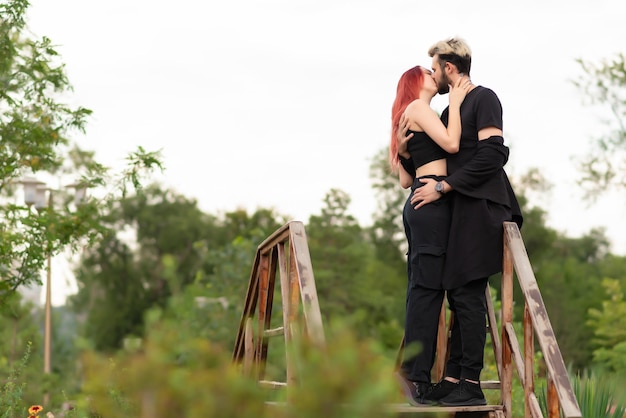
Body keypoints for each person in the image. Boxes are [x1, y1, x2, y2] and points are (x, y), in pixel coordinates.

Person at [400, 37, 523, 407]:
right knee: (458, 293)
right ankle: (453, 377)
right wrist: (406, 156)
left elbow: (494, 154)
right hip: (457, 210)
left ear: (448, 69)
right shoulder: (445, 113)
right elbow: (430, 160)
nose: (433, 75)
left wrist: (446, 185)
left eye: (434, 68)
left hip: (482, 206)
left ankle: (469, 381)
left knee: (468, 295)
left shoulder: (484, 98)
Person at [389, 65, 471, 406]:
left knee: (421, 290)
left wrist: (407, 154)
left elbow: (405, 181)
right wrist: (456, 99)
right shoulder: (420, 107)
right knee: (428, 292)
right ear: (415, 82)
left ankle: (411, 375)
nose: (433, 73)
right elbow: (452, 144)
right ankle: (414, 378)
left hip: (419, 198)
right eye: (427, 70)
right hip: (430, 204)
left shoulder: (410, 115)